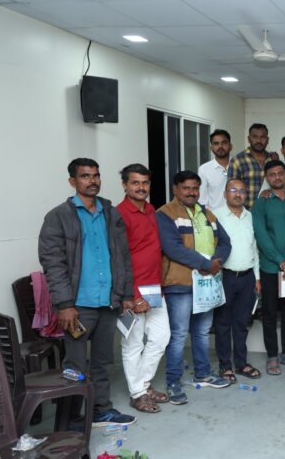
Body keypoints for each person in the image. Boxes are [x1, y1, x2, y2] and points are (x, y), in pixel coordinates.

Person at [38, 158, 136, 426]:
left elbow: (123, 257)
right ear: (72, 181)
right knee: (75, 366)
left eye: (96, 175)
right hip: (78, 307)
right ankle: (70, 421)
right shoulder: (58, 216)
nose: (92, 181)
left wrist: (126, 294)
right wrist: (64, 304)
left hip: (108, 302)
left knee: (103, 362)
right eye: (85, 176)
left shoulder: (110, 213)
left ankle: (101, 410)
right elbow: (53, 263)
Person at [157, 170, 233, 405]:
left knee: (201, 332)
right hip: (180, 283)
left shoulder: (207, 214)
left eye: (195, 188)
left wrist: (217, 261)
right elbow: (173, 248)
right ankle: (173, 382)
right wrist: (206, 264)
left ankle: (203, 373)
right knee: (179, 334)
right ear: (175, 189)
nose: (191, 192)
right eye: (186, 188)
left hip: (206, 284)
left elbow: (226, 242)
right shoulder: (165, 214)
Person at [117, 164, 170, 414]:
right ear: (125, 185)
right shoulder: (119, 214)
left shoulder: (151, 210)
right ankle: (137, 393)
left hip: (154, 289)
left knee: (161, 337)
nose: (141, 187)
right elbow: (118, 258)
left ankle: (144, 384)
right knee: (133, 344)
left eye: (145, 182)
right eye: (135, 182)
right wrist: (130, 295)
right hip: (132, 292)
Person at [253, 160, 285, 376]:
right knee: (269, 313)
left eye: (280, 173)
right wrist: (280, 261)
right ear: (267, 178)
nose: (277, 177)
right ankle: (272, 356)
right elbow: (261, 236)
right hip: (270, 268)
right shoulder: (261, 203)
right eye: (272, 174)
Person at [212, 179, 261, 383]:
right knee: (223, 323)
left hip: (247, 277)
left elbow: (254, 248)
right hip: (225, 277)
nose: (238, 194)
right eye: (233, 190)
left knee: (241, 323)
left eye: (241, 191)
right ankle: (225, 365)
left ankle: (241, 363)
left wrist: (257, 277)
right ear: (225, 194)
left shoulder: (250, 216)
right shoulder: (215, 216)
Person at [228, 122, 273, 209]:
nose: (259, 140)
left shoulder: (272, 160)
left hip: (270, 212)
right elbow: (232, 190)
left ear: (267, 139)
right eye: (255, 137)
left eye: (262, 137)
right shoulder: (238, 160)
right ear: (249, 139)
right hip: (246, 213)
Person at [198, 129, 233, 210]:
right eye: (216, 143)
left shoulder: (238, 165)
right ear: (211, 148)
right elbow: (202, 199)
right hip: (214, 216)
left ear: (230, 146)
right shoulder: (204, 169)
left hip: (237, 214)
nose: (220, 146)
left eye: (224, 143)